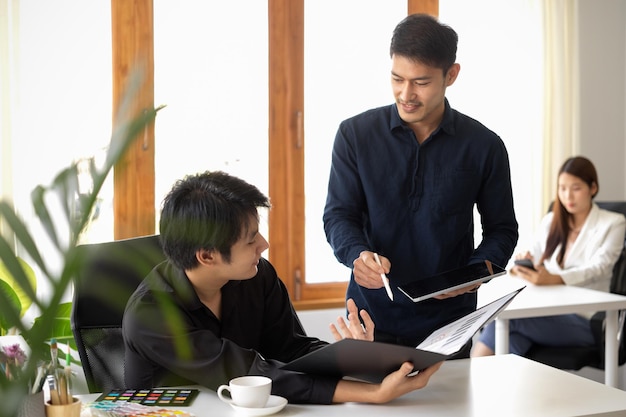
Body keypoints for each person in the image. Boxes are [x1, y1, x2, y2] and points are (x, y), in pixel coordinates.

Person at [122, 170, 442, 405]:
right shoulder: (150, 314)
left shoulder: (256, 275)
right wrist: (372, 393)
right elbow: (250, 373)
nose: (264, 244)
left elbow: (290, 349)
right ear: (207, 256)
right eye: (251, 240)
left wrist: (358, 359)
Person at [323, 13, 518, 350]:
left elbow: (502, 229)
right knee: (370, 402)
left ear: (451, 75)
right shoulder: (354, 135)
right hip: (369, 317)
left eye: (421, 82)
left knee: (450, 404)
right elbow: (339, 215)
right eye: (397, 78)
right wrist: (357, 254)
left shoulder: (485, 146)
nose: (406, 94)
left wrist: (477, 272)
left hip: (451, 324)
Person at [471, 156, 626, 357]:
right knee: (508, 338)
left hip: (589, 319)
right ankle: (479, 385)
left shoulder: (614, 222)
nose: (568, 195)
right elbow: (534, 253)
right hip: (548, 311)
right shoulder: (552, 220)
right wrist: (525, 263)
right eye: (562, 188)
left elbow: (599, 267)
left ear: (593, 188)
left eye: (576, 188)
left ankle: (468, 382)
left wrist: (555, 278)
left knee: (506, 319)